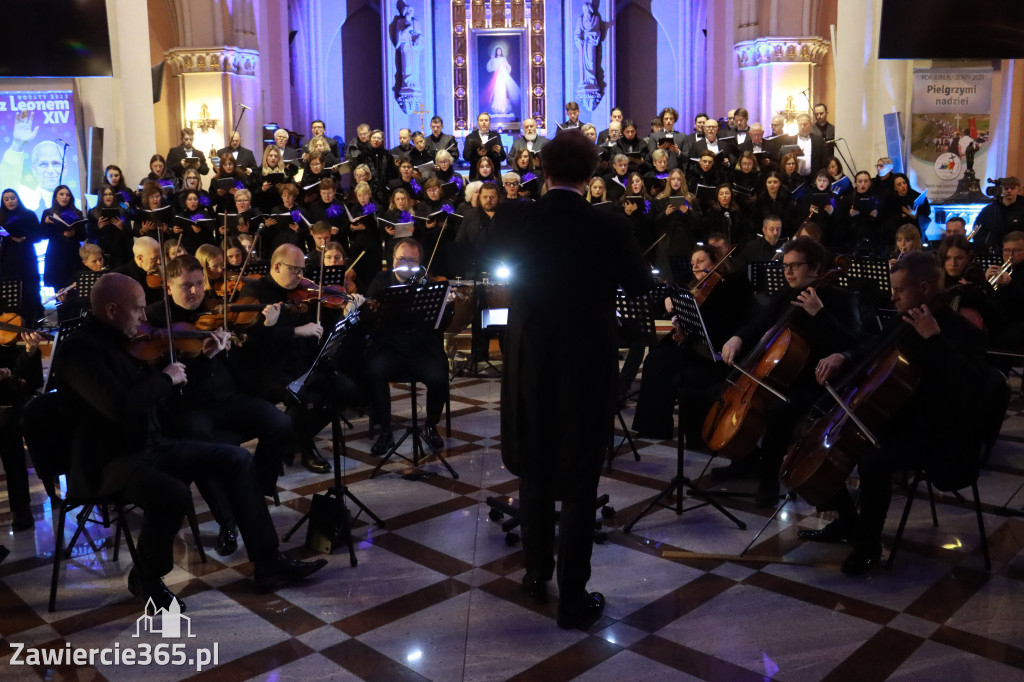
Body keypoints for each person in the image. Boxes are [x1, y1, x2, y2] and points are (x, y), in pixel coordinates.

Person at [54, 272, 328, 610]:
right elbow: (118, 407)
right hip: (110, 460)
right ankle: (146, 577)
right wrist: (166, 378)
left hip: (151, 445)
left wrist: (198, 357)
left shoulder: (127, 339)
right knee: (173, 492)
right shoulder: (79, 350)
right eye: (138, 310)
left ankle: (268, 562)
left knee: (237, 458)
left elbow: (153, 385)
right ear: (111, 309)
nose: (144, 317)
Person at [476, 129, 648, 629]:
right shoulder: (611, 227)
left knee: (534, 468)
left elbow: (486, 258)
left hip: (532, 363)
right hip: (588, 365)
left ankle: (535, 574)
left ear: (544, 171)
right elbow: (638, 286)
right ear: (592, 174)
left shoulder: (515, 215)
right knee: (578, 479)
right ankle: (573, 597)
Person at [805, 252, 987, 574]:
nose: (892, 296)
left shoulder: (963, 333)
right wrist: (843, 356)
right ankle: (849, 521)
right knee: (828, 440)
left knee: (872, 459)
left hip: (940, 431)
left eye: (900, 290)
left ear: (926, 288)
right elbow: (872, 348)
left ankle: (868, 543)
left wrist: (934, 340)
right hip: (898, 418)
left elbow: (972, 388)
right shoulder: (902, 320)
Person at [714, 236, 862, 505]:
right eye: (785, 266)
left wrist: (820, 313)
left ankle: (768, 479)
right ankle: (745, 460)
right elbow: (760, 323)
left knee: (778, 411)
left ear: (816, 268)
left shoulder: (841, 299)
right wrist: (738, 337)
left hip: (818, 382)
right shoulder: (786, 295)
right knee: (717, 391)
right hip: (781, 378)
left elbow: (851, 343)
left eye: (795, 266)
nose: (788, 272)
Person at [239, 244, 357, 473]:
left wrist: (342, 315)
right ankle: (306, 447)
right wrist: (294, 332)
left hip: (304, 363)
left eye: (302, 270)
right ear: (276, 266)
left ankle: (292, 439)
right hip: (270, 368)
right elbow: (250, 340)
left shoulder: (303, 291)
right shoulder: (254, 291)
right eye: (295, 270)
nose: (301, 277)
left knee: (348, 389)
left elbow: (319, 328)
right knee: (299, 395)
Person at [364, 238, 449, 455]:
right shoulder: (381, 279)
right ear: (393, 260)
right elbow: (369, 313)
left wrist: (447, 307)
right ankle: (385, 430)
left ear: (420, 262)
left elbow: (440, 324)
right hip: (390, 347)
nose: (406, 263)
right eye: (401, 259)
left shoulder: (428, 282)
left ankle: (430, 425)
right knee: (374, 372)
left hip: (421, 348)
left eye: (412, 260)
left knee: (439, 375)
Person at [0, 188, 43, 320]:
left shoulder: (28, 214)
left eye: (13, 198)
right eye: (6, 199)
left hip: (27, 256)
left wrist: (25, 238)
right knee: (10, 289)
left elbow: (39, 235)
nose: (10, 201)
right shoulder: (1, 216)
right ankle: (11, 323)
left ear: (18, 199)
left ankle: (32, 321)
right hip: (7, 257)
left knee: (30, 289)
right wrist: (9, 237)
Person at [41, 185, 86, 291]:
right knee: (59, 288)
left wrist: (74, 233)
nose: (65, 197)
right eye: (61, 194)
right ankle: (61, 307)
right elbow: (42, 235)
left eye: (67, 195)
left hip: (73, 254)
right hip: (56, 254)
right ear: (56, 197)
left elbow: (84, 236)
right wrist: (46, 224)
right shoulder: (48, 213)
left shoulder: (77, 213)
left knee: (74, 287)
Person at [973, 177, 1024, 254]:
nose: (1009, 191)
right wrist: (988, 246)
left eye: (1013, 188)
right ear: (1001, 190)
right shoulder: (989, 210)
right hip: (992, 252)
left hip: (1018, 253)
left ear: (1018, 190)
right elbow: (977, 231)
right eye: (1006, 188)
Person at [463, 112, 507, 180]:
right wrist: (477, 154)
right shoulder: (470, 137)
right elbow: (466, 157)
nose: (484, 122)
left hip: (493, 175)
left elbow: (503, 157)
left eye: (486, 120)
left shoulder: (496, 136)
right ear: (478, 122)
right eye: (481, 120)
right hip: (476, 174)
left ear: (489, 122)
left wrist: (499, 152)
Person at [483, 46, 520, 114]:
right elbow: (490, 68)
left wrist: (505, 67)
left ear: (501, 52)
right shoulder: (494, 59)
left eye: (500, 51)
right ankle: (497, 105)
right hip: (496, 76)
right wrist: (491, 59)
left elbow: (508, 66)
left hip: (502, 76)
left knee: (502, 90)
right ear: (496, 52)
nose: (499, 52)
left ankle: (503, 106)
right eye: (498, 51)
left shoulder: (503, 58)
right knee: (496, 90)